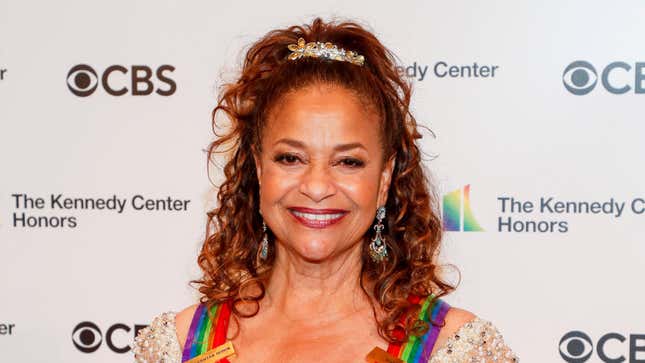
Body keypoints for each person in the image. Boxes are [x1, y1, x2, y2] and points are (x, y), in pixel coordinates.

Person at [133, 17, 519, 363]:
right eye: (290, 158)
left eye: (348, 162)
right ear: (257, 168)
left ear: (384, 181)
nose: (317, 187)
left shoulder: (453, 348)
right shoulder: (184, 344)